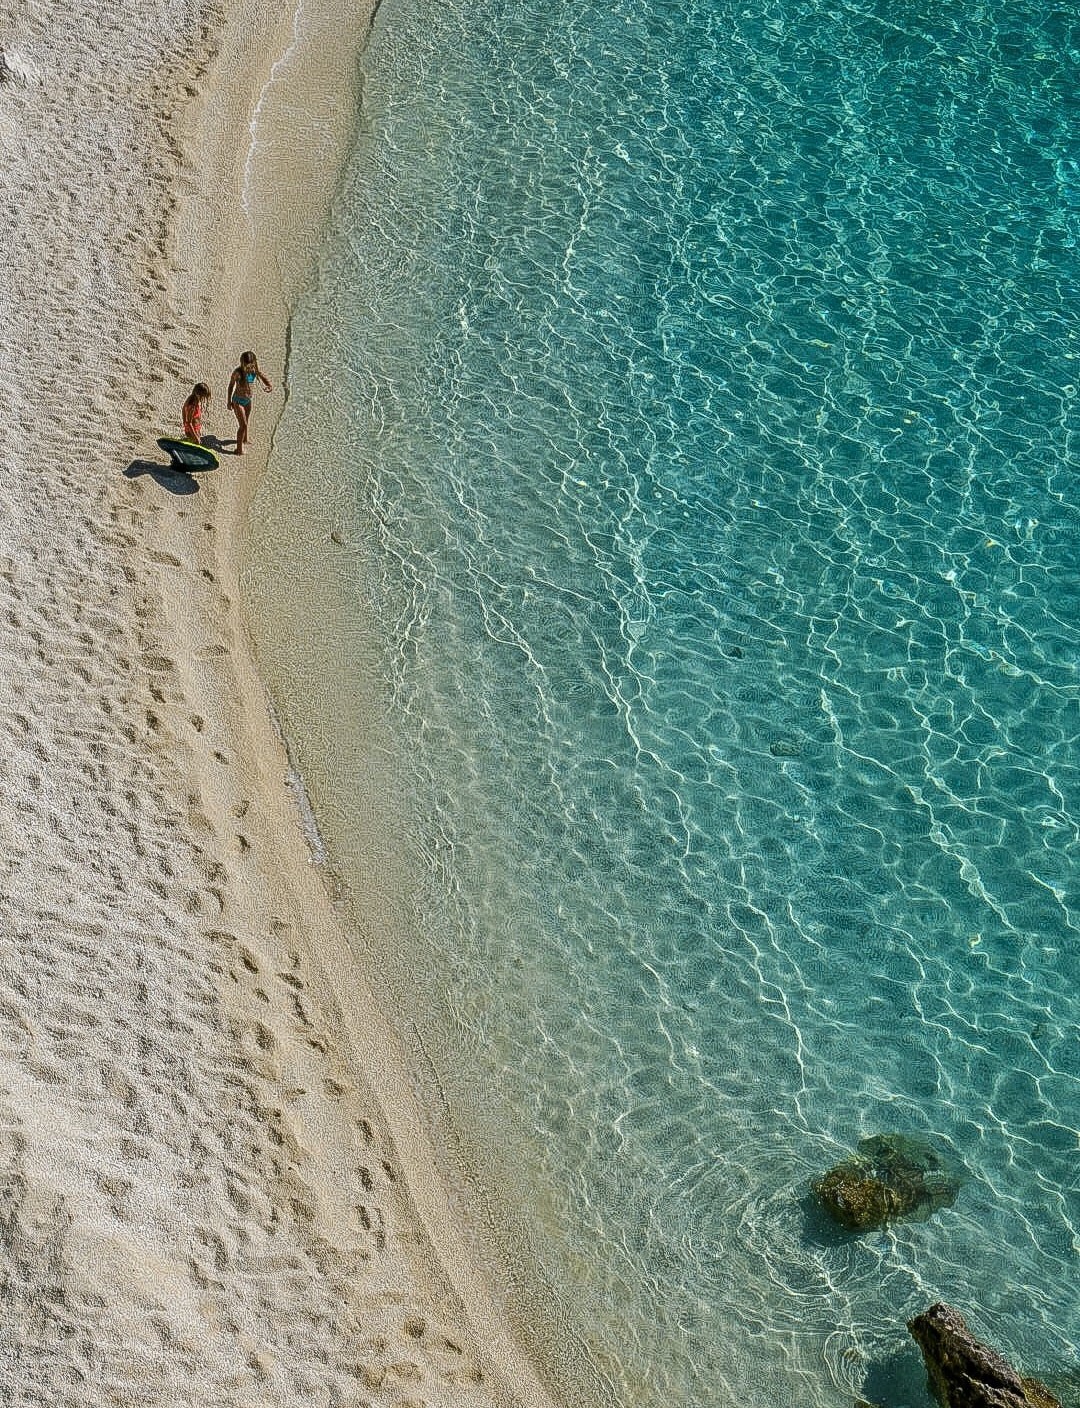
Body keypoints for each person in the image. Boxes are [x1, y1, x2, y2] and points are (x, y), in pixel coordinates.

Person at [227, 350, 273, 455]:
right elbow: (230, 386)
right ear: (242, 363)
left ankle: (245, 439)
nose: (248, 369)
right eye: (246, 366)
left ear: (254, 363)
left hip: (248, 401)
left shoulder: (254, 370)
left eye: (251, 366)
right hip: (237, 401)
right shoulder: (237, 373)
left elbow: (263, 377)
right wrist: (229, 401)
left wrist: (269, 385)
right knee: (243, 425)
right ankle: (238, 450)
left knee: (246, 421)